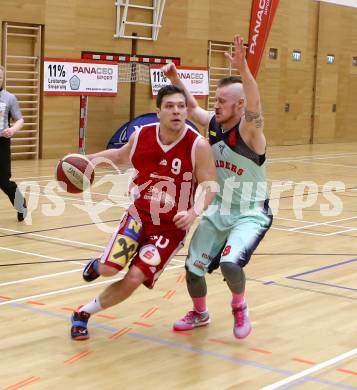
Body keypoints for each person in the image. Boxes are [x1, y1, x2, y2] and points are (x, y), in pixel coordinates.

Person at [70, 85, 217, 340]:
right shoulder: (142, 135)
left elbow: (210, 186)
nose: (177, 111)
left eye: (181, 106)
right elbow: (119, 156)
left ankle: (83, 313)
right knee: (108, 269)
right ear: (158, 111)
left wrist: (193, 212)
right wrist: (89, 159)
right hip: (139, 216)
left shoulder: (198, 145)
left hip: (169, 228)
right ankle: (98, 264)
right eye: (170, 106)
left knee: (135, 277)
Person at [161, 34, 273, 339]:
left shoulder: (250, 133)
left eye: (222, 101)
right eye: (217, 99)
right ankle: (200, 313)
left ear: (240, 105)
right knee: (193, 268)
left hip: (250, 212)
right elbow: (193, 106)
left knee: (230, 265)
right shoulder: (213, 124)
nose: (216, 104)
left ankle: (239, 306)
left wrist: (244, 68)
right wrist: (175, 77)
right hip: (218, 209)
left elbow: (256, 102)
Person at [0, 65, 27, 221]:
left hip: (1, 142)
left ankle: (20, 205)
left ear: (3, 80)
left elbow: (20, 120)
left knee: (4, 181)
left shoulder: (9, 98)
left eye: (0, 77)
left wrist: (13, 130)